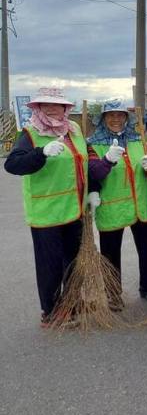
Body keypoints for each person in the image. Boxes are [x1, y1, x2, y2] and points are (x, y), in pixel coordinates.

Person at [4, 88, 89, 326]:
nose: (51, 109)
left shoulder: (74, 130)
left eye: (56, 105)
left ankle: (71, 302)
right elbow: (13, 165)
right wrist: (41, 153)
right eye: (45, 105)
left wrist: (92, 191)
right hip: (46, 213)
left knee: (73, 261)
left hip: (74, 209)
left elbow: (82, 163)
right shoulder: (30, 133)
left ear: (65, 108)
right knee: (50, 265)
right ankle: (50, 311)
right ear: (38, 108)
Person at [87, 99, 147, 304]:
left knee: (146, 249)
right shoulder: (93, 144)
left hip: (140, 205)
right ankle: (113, 294)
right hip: (111, 206)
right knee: (110, 254)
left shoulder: (138, 139)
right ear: (103, 119)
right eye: (111, 116)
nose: (116, 119)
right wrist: (107, 159)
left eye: (120, 115)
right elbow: (94, 172)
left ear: (127, 118)